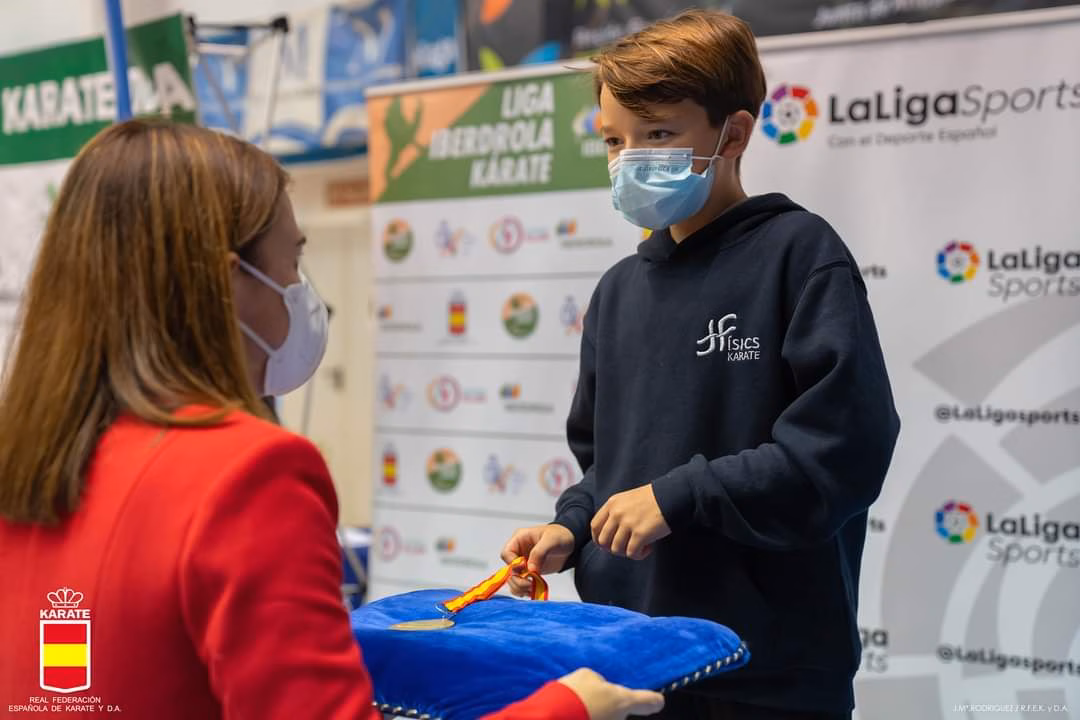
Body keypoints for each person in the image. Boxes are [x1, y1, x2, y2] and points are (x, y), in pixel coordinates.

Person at [0, 120, 663, 720]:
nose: (303, 292)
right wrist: (567, 708)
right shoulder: (245, 475)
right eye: (292, 260)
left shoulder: (28, 458)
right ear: (228, 282)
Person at [501, 9, 900, 720]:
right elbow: (611, 462)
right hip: (627, 664)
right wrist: (575, 524)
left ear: (734, 134)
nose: (630, 159)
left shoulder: (799, 256)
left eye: (658, 135)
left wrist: (682, 496)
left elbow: (842, 449)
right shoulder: (620, 290)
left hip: (766, 675)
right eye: (613, 141)